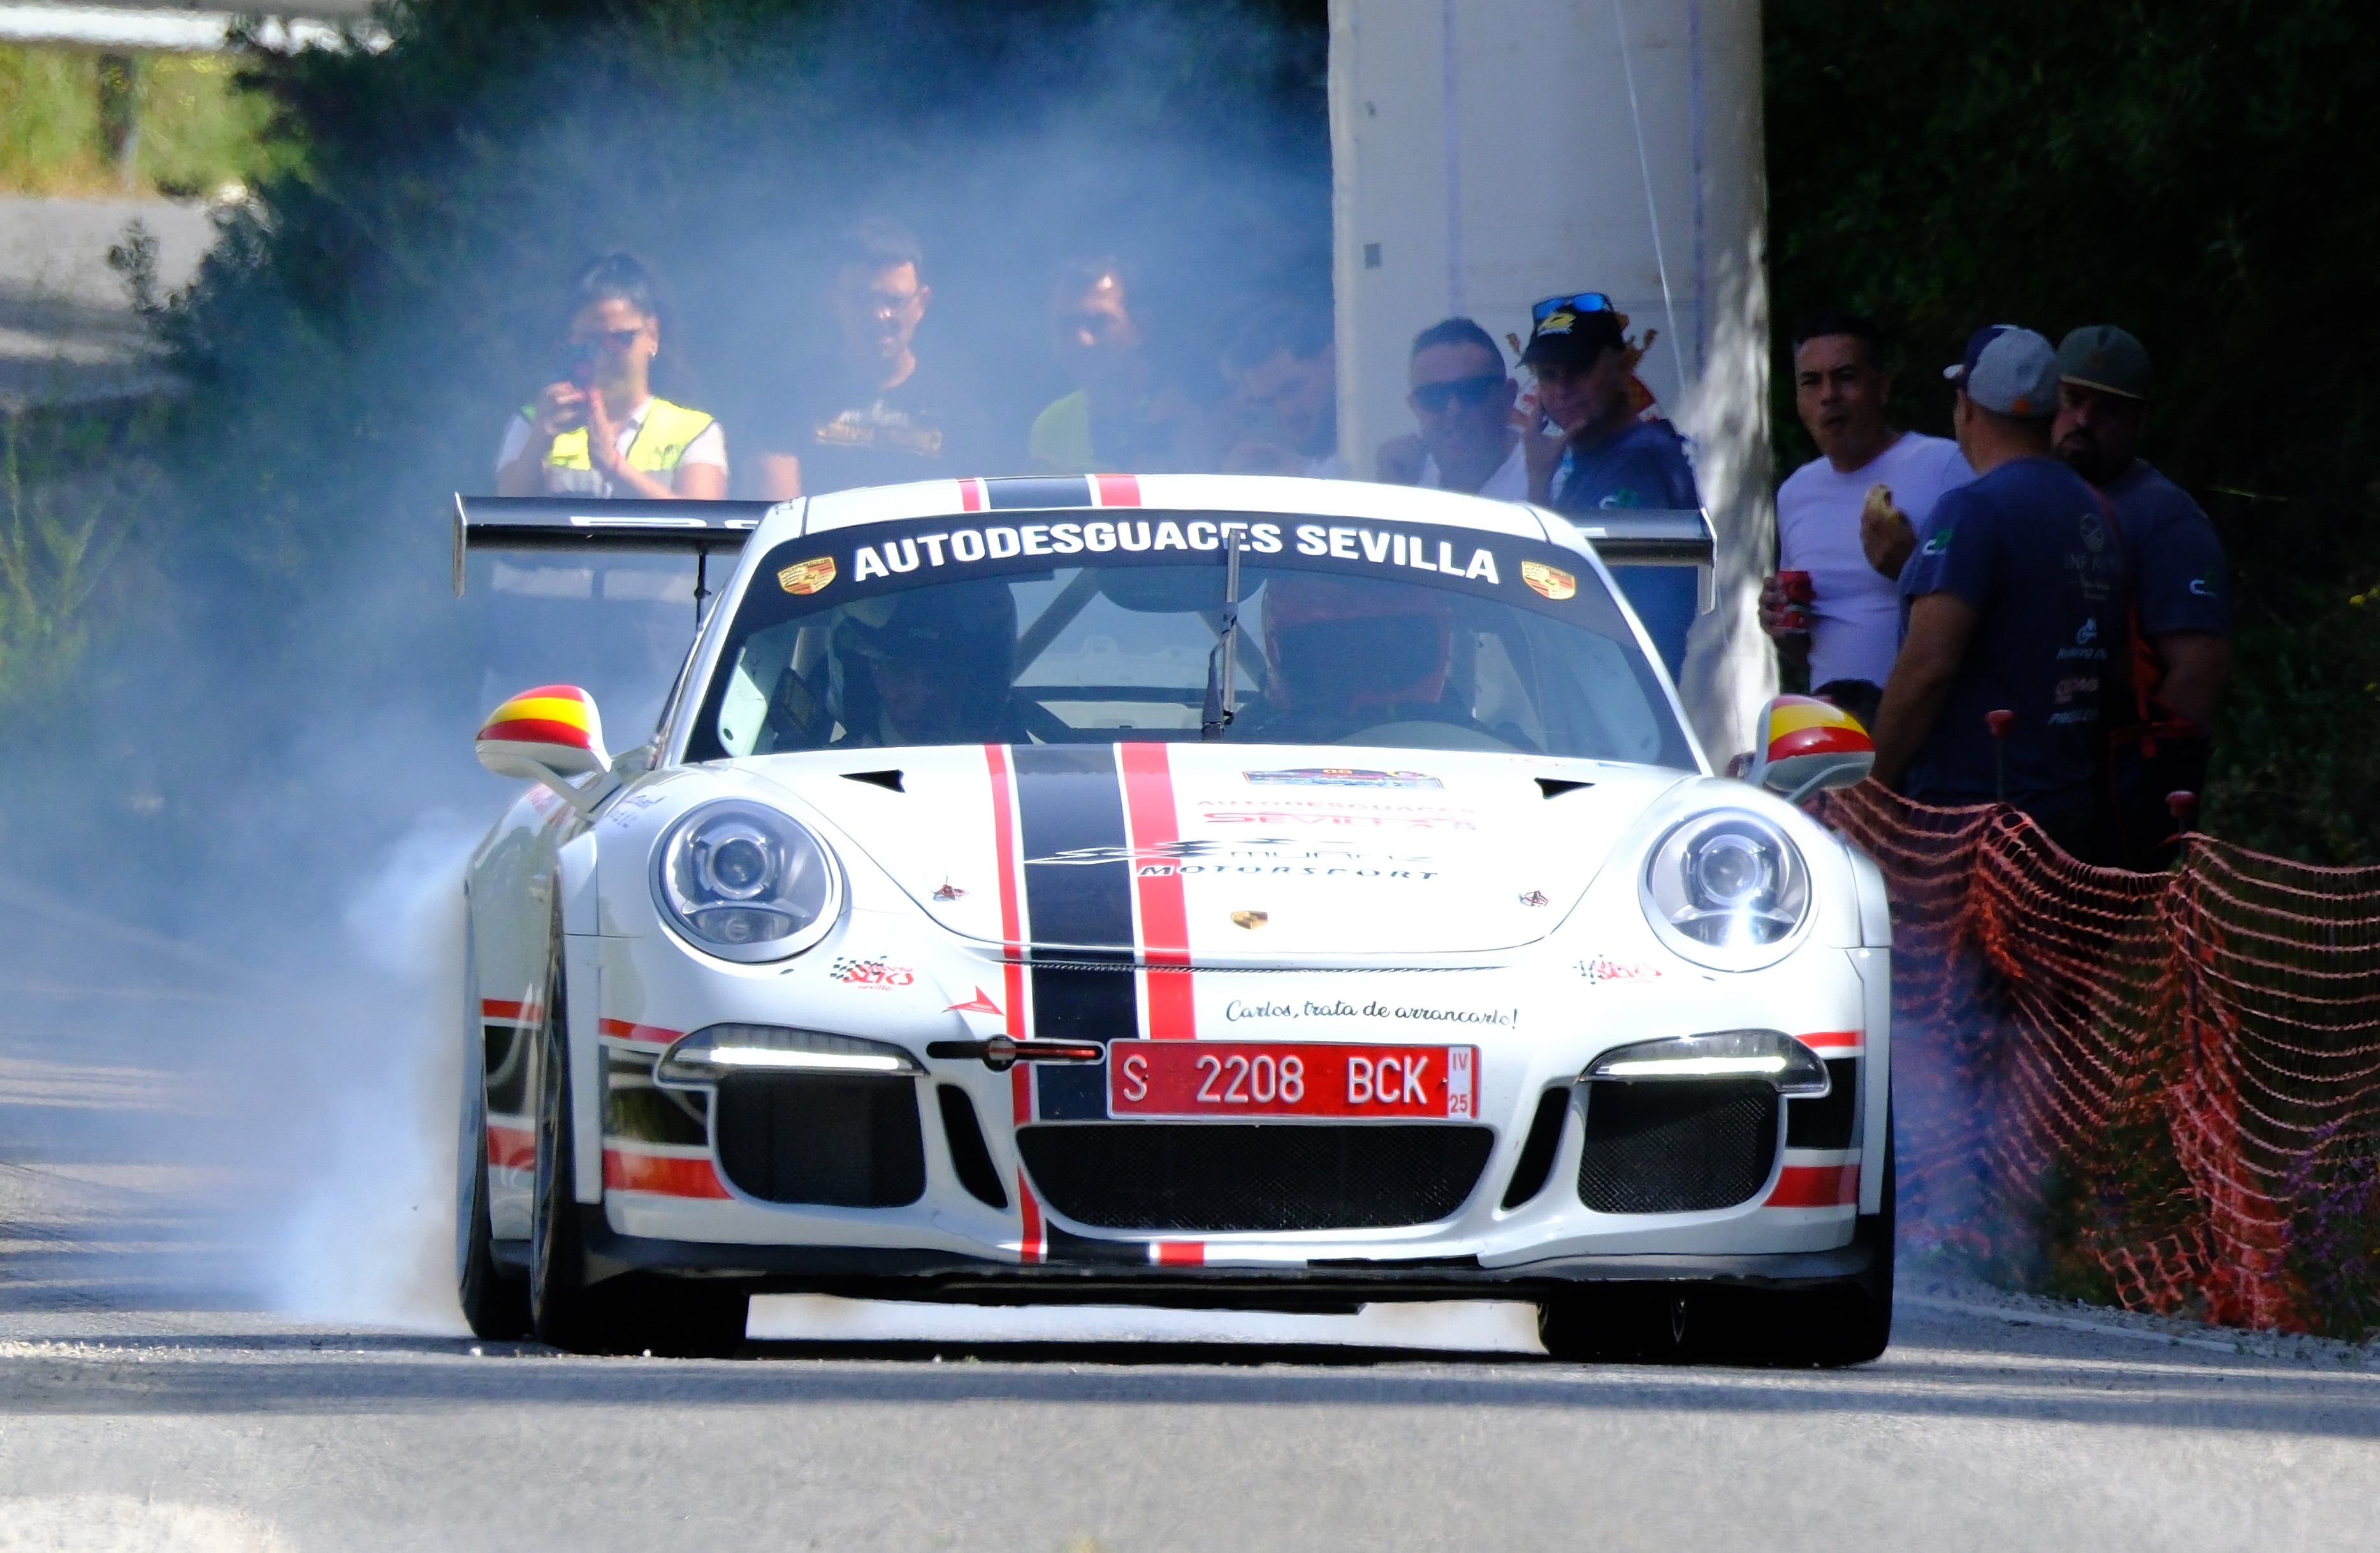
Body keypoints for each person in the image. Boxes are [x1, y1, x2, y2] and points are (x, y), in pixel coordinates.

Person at [1869, 327, 2131, 857]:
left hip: (1972, 820)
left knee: (1948, 945)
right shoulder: (2094, 511)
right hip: (2066, 806)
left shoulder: (1973, 510)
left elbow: (1927, 667)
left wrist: (1869, 788)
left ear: (1966, 404)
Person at [2052, 325, 2231, 864]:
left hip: (2107, 790)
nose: (2084, 422)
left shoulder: (2165, 518)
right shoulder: (2034, 493)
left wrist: (2134, 787)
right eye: (2073, 400)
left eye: (2109, 411)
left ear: (2139, 423)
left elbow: (2201, 669)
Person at [1761, 311, 1971, 702]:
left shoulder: (1947, 466)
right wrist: (1782, 627)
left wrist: (1912, 568)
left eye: (1846, 377)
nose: (1829, 396)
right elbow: (1815, 648)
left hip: (1929, 727)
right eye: (1811, 382)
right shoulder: (1796, 492)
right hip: (1834, 730)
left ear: (1883, 387)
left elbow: (1992, 607)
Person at [1518, 292, 1701, 674]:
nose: (1563, 387)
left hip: (1625, 695)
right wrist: (1539, 476)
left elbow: (1551, 588)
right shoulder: (1599, 458)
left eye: (1579, 368)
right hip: (1603, 692)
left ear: (1621, 367)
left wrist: (1537, 481)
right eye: (1549, 375)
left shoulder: (1640, 459)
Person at [751, 221, 990, 499]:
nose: (879, 316)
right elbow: (779, 515)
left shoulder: (960, 414)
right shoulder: (787, 400)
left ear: (922, 303)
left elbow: (966, 524)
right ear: (833, 300)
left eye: (894, 300)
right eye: (861, 299)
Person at [495, 253, 726, 500]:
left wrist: (614, 466)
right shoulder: (531, 424)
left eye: (619, 339)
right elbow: (500, 521)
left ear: (653, 334)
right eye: (587, 341)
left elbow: (703, 526)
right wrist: (539, 441)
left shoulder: (695, 431)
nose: (603, 356)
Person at [1027, 258, 1208, 474]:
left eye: (1098, 322)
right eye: (1066, 325)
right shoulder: (1053, 425)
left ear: (1140, 328)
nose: (1082, 339)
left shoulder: (1191, 411)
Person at [827, 585, 1028, 747]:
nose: (921, 696)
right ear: (864, 674)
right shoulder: (820, 780)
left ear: (979, 680)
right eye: (899, 671)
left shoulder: (1029, 776)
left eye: (942, 676)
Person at [1375, 317, 1526, 499]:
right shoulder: (1407, 479)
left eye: (1471, 391)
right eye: (1434, 396)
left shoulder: (1555, 479)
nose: (1453, 411)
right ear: (1415, 406)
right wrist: (1391, 496)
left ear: (1508, 397)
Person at [1221, 300, 1343, 478]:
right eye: (1268, 402)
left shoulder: (1382, 453)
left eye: (1292, 389)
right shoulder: (1283, 467)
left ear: (1331, 361)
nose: (1285, 410)